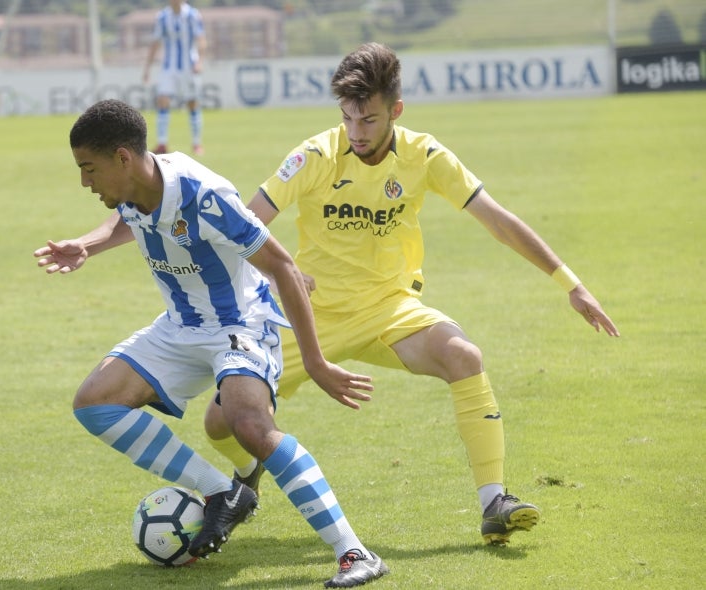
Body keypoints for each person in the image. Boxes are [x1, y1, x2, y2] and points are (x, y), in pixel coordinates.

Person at [203, 42, 621, 546]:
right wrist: (275, 277)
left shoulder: (426, 156)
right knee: (220, 422)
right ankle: (246, 479)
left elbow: (500, 222)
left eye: (369, 121)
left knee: (464, 356)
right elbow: (247, 224)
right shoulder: (313, 156)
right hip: (307, 314)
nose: (356, 133)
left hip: (388, 309)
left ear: (396, 111)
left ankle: (494, 502)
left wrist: (571, 285)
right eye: (349, 119)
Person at [33, 99, 388, 588]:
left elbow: (283, 267)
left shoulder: (203, 195)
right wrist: (86, 245)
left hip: (239, 322)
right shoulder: (133, 187)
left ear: (121, 157)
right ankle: (224, 491)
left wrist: (316, 362)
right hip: (180, 324)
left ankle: (355, 552)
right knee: (94, 404)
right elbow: (129, 218)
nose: (84, 182)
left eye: (88, 169)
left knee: (247, 423)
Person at [141, 0, 205, 156]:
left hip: (188, 67)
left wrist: (199, 61)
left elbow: (201, 39)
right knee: (162, 100)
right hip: (168, 68)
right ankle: (162, 143)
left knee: (192, 103)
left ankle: (197, 143)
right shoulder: (162, 17)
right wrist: (147, 68)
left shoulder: (192, 15)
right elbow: (155, 43)